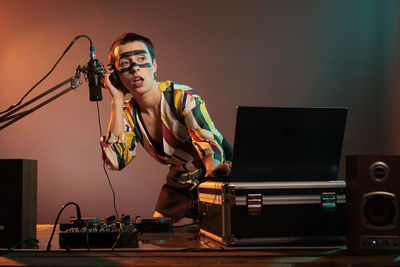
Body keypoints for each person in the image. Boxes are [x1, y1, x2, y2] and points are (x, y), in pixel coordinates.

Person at [100, 32, 232, 220]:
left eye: (141, 59)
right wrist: (117, 99)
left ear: (154, 65)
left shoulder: (182, 96)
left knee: (220, 234)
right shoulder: (126, 112)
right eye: (124, 64)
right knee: (157, 236)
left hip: (216, 172)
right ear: (115, 76)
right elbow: (115, 162)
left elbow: (208, 143)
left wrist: (214, 173)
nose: (135, 68)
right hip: (180, 180)